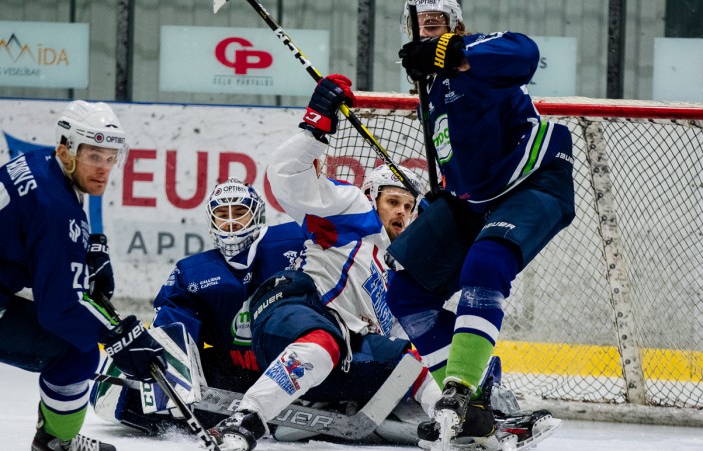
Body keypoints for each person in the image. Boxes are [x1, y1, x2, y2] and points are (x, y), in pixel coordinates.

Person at [0, 100, 167, 451]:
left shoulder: (42, 163)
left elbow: (22, 235)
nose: (104, 169)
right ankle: (57, 442)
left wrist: (85, 251)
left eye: (110, 157)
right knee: (76, 351)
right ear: (66, 149)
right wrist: (117, 336)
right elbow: (59, 308)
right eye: (94, 156)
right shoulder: (55, 207)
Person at [206, 74, 444, 451]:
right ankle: (243, 420)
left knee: (415, 361)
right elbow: (286, 179)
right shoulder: (354, 209)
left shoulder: (400, 268)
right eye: (392, 201)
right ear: (372, 197)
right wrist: (314, 126)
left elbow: (407, 334)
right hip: (294, 306)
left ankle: (454, 421)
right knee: (322, 344)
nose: (400, 211)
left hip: (345, 348)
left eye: (407, 206)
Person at [389, 0, 575, 446]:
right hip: (473, 199)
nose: (428, 29)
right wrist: (446, 191)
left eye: (438, 24)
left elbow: (524, 52)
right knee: (405, 289)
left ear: (458, 29)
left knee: (487, 262)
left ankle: (458, 389)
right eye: (421, 25)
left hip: (534, 179)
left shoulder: (474, 59)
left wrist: (446, 52)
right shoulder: (432, 91)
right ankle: (474, 413)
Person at [90, 178, 308, 433]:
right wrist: (170, 370)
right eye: (221, 215)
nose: (230, 222)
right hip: (236, 371)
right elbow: (173, 322)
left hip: (294, 361)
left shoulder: (293, 241)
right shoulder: (194, 272)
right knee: (119, 395)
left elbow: (339, 235)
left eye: (239, 213)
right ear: (211, 221)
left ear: (257, 215)